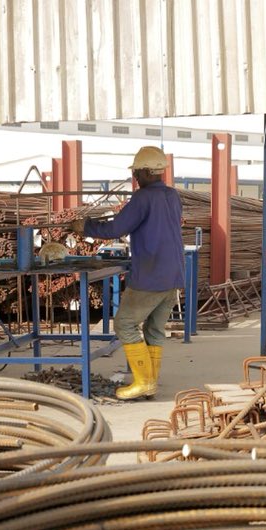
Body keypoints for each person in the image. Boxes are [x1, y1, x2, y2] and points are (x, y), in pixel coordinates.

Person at [71, 146, 184, 400]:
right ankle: (150, 381)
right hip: (173, 274)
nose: (135, 177)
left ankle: (143, 382)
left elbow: (116, 229)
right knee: (154, 329)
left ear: (146, 171)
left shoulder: (143, 198)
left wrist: (85, 226)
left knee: (124, 323)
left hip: (151, 275)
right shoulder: (172, 196)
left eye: (136, 172)